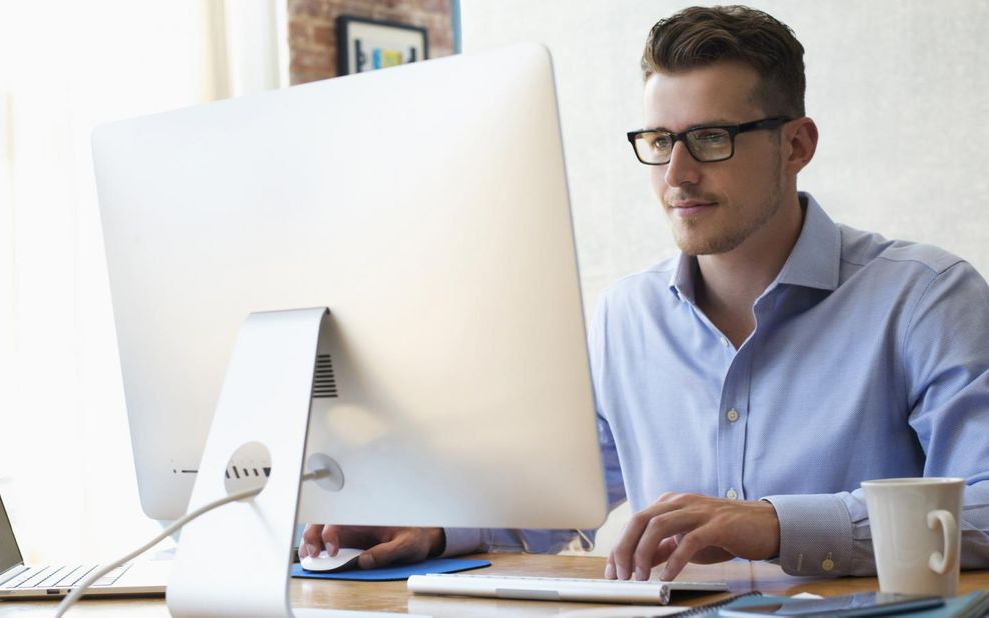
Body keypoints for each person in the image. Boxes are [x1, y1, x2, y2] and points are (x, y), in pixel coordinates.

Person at [300, 5, 989, 580]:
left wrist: (776, 525)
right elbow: (557, 501)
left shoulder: (926, 299)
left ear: (796, 145)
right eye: (660, 141)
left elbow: (985, 510)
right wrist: (432, 527)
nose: (677, 175)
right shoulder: (624, 316)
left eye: (711, 138)